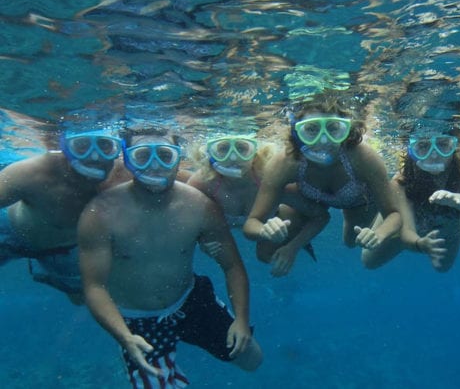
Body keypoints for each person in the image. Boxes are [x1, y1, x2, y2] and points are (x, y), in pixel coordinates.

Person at [78, 128, 262, 388]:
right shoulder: (101, 213)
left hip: (189, 300)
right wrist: (124, 337)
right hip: (136, 319)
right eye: (143, 156)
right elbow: (94, 287)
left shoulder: (200, 206)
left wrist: (242, 320)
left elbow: (232, 266)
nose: (155, 166)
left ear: (178, 159)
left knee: (252, 359)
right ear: (127, 160)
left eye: (165, 155)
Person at [243, 90, 402, 269]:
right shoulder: (286, 162)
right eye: (312, 129)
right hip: (313, 203)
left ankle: (356, 217)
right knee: (266, 253)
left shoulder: (362, 156)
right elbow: (251, 224)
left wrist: (380, 234)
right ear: (297, 133)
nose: (324, 140)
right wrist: (264, 230)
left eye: (333, 128)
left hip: (359, 203)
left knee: (352, 242)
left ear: (347, 130)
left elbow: (394, 215)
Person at [0, 128, 129, 303]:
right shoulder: (33, 172)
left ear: (118, 149)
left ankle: (51, 278)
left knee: (79, 298)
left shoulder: (124, 177)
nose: (95, 156)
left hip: (65, 251)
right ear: (65, 147)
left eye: (105, 145)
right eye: (82, 145)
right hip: (9, 235)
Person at [187, 133, 325, 276]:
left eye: (242, 148)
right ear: (210, 154)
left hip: (275, 219)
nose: (233, 157)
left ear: (256, 152)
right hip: (233, 223)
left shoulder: (270, 179)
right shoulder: (203, 182)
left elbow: (321, 216)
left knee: (266, 256)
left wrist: (293, 247)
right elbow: (186, 220)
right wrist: (202, 241)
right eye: (223, 149)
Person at [391, 124, 460, 271]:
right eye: (423, 146)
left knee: (443, 268)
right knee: (369, 260)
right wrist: (418, 243)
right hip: (413, 219)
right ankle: (390, 221)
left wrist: (455, 199)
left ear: (455, 145)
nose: (434, 154)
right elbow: (407, 230)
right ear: (411, 150)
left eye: (443, 144)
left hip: (448, 224)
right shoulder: (401, 179)